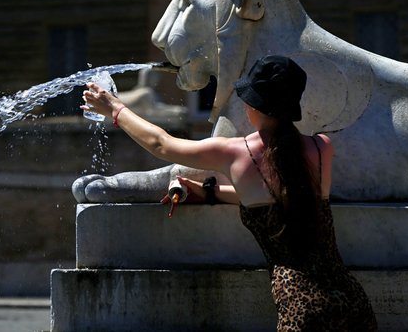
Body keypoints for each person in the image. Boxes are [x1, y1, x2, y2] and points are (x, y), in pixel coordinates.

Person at [82, 55, 378, 331]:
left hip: (300, 307)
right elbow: (282, 198)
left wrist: (114, 109)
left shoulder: (236, 152)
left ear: (253, 107)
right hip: (352, 301)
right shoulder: (321, 147)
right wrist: (210, 191)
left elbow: (162, 144)